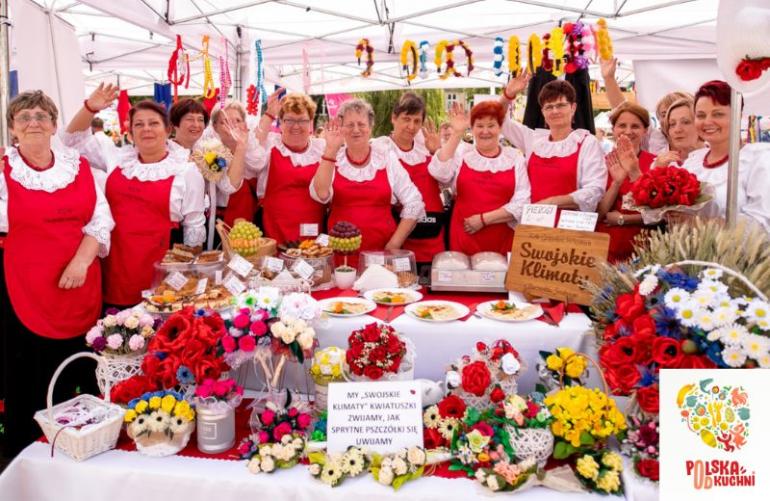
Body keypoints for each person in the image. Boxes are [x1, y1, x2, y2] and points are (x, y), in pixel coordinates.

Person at [1, 90, 114, 456]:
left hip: (80, 284)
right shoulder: (4, 171)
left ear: (53, 125)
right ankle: (28, 455)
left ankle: (85, 444)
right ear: (13, 130)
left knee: (79, 366)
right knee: (29, 374)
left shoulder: (78, 166)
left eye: (41, 116)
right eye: (23, 118)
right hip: (25, 288)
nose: (33, 122)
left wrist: (81, 262)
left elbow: (100, 219)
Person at [64, 83, 208, 307]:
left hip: (161, 270)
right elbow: (72, 141)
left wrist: (184, 279)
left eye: (153, 123)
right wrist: (90, 108)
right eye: (138, 124)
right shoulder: (116, 158)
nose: (146, 129)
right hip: (115, 265)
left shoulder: (186, 170)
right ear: (130, 133)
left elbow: (194, 229)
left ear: (168, 130)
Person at [311, 98, 425, 267]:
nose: (356, 130)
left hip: (383, 253)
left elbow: (414, 202)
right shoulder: (333, 158)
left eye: (361, 124)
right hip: (341, 254)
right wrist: (331, 150)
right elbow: (321, 193)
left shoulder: (386, 158)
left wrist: (393, 246)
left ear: (371, 127)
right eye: (349, 125)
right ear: (341, 128)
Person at [429, 101, 530, 256]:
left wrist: (484, 219)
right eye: (479, 125)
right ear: (472, 128)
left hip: (503, 239)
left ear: (500, 128)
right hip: (464, 237)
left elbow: (523, 201)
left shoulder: (515, 158)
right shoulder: (462, 152)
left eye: (491, 125)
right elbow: (439, 173)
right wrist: (457, 133)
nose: (485, 131)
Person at [500, 71, 606, 215]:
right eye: (549, 107)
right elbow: (500, 121)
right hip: (533, 224)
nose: (555, 111)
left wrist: (551, 202)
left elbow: (595, 188)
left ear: (573, 108)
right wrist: (507, 95)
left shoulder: (587, 143)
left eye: (561, 105)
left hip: (570, 227)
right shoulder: (534, 139)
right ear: (542, 112)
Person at [681, 80, 770, 231]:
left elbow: (761, 223)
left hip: (741, 254)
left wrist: (698, 223)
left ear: (738, 115)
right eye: (700, 115)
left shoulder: (758, 158)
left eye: (718, 114)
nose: (707, 122)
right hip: (691, 253)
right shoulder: (692, 162)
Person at [371, 92, 445, 264]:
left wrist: (437, 152)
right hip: (399, 235)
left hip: (432, 234)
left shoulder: (427, 146)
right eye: (406, 119)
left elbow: (448, 180)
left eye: (417, 121)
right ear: (394, 118)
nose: (411, 126)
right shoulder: (381, 149)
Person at [253, 89, 326, 245]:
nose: (296, 126)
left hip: (313, 228)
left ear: (311, 122)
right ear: (281, 122)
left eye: (302, 120)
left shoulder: (322, 149)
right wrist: (268, 115)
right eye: (290, 120)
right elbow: (251, 153)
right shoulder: (271, 145)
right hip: (275, 227)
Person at [596, 102, 657, 262]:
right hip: (605, 247)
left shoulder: (656, 163)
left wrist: (624, 219)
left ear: (645, 130)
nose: (628, 131)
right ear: (613, 129)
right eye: (622, 125)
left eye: (635, 126)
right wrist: (616, 183)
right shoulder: (601, 163)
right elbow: (597, 214)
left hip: (642, 248)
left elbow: (660, 214)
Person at [600, 57, 685, 155]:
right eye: (664, 114)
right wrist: (609, 78)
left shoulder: (702, 143)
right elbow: (622, 109)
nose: (670, 119)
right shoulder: (653, 137)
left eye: (677, 114)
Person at [210, 101, 262, 228]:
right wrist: (240, 147)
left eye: (237, 121)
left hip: (253, 216)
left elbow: (260, 165)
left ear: (244, 124)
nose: (232, 126)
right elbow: (229, 186)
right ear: (215, 126)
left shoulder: (253, 149)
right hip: (223, 220)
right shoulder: (208, 153)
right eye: (225, 122)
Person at [654, 97, 703, 167]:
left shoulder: (718, 158)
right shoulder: (661, 162)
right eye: (672, 124)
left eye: (686, 122)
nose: (677, 130)